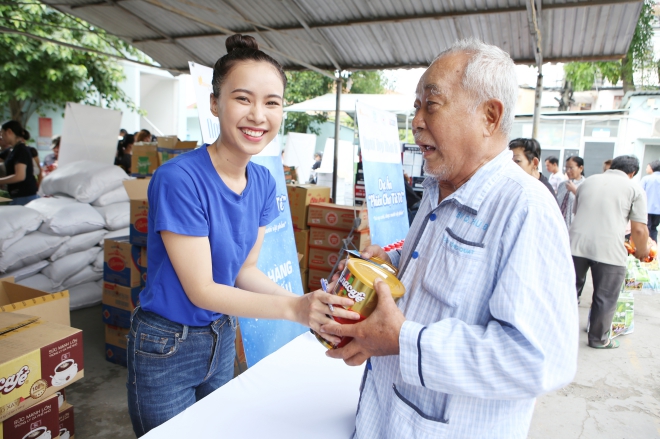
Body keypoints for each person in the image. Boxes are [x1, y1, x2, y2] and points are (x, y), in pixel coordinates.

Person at [322, 39, 578, 438]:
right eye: (415, 107)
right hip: (381, 417)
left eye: (432, 104)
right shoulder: (437, 188)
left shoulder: (525, 209)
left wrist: (406, 341)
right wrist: (388, 270)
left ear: (489, 117)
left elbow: (537, 359)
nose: (416, 121)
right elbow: (433, 283)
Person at [126, 34, 358, 437]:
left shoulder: (265, 182)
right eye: (243, 98)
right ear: (215, 104)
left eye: (272, 102)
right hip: (166, 344)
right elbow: (202, 289)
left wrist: (307, 304)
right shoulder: (179, 179)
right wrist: (294, 311)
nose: (258, 115)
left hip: (220, 335)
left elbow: (244, 269)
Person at [570, 155, 648, 348]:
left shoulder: (588, 182)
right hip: (609, 250)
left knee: (568, 291)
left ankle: (557, 332)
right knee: (605, 296)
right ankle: (598, 339)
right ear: (632, 173)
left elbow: (576, 212)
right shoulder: (634, 188)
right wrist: (642, 251)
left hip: (574, 245)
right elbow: (639, 229)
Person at [0, 121, 38, 205]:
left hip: (24, 196)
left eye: (2, 134)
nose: (1, 137)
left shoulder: (21, 150)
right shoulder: (11, 150)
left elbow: (20, 176)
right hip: (16, 195)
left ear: (9, 132)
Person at [556, 155, 585, 228]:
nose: (568, 171)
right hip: (559, 224)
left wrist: (575, 191)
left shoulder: (586, 185)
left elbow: (588, 202)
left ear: (580, 168)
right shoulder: (562, 185)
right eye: (566, 168)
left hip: (574, 226)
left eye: (571, 168)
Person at [641, 159, 660, 241]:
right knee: (654, 228)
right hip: (658, 211)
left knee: (645, 228)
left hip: (646, 209)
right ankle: (653, 248)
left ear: (652, 168)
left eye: (647, 167)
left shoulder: (646, 179)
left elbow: (640, 192)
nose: (646, 168)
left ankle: (645, 247)